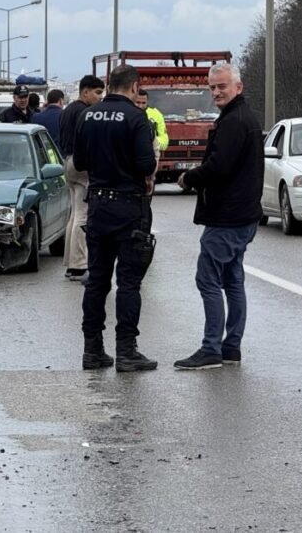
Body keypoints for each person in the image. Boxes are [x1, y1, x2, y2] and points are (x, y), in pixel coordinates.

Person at [174, 62, 264, 370]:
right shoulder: (243, 117)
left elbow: (219, 166)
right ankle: (231, 348)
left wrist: (189, 177)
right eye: (212, 87)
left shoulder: (234, 121)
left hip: (228, 217)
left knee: (208, 279)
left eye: (222, 86)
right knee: (232, 280)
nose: (216, 92)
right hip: (243, 215)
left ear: (238, 87)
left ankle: (211, 348)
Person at [74, 64, 158, 372]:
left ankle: (92, 350)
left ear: (109, 85)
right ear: (135, 87)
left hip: (98, 205)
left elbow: (80, 161)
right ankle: (126, 351)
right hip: (128, 208)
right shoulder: (137, 118)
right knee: (129, 283)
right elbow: (146, 164)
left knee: (96, 281)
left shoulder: (88, 116)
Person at [58, 75, 105, 281]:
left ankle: (71, 263)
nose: (100, 97)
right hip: (81, 164)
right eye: (97, 92)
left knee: (75, 214)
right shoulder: (85, 112)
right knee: (83, 215)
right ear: (85, 92)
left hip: (68, 162)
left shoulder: (68, 110)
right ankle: (78, 265)